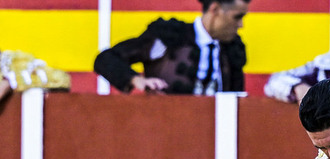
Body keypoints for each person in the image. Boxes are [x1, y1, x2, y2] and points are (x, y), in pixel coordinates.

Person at [93, 0, 249, 95]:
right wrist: (136, 79)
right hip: (166, 132)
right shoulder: (169, 37)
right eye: (237, 17)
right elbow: (105, 59)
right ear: (214, 9)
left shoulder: (231, 49)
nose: (240, 25)